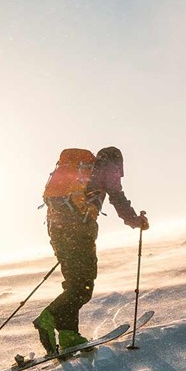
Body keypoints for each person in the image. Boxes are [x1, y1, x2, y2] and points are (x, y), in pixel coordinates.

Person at [33, 146, 149, 354]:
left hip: (58, 231)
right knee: (83, 286)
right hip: (78, 233)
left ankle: (69, 335)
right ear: (116, 162)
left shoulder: (79, 171)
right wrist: (136, 221)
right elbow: (117, 197)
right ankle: (48, 317)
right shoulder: (105, 167)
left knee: (75, 284)